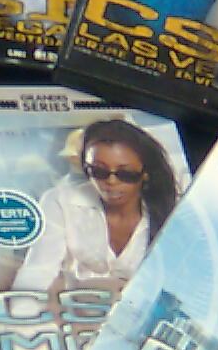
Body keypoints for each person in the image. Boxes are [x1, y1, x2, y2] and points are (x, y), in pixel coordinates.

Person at [11, 118, 179, 295]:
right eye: (99, 171)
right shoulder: (60, 201)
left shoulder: (171, 213)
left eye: (125, 174)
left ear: (146, 174)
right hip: (77, 309)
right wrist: (22, 310)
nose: (111, 181)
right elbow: (38, 271)